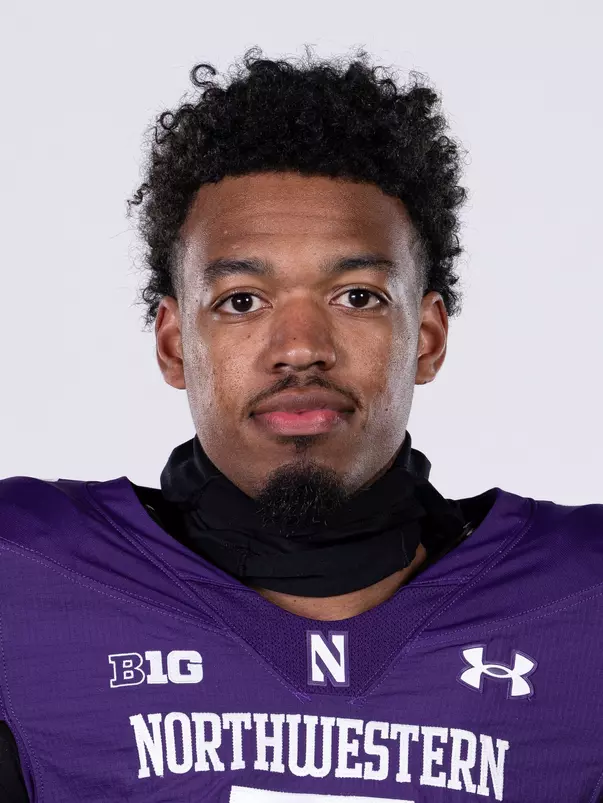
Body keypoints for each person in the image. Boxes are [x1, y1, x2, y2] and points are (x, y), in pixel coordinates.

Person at [0, 47, 601, 803]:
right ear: (175, 344)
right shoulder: (26, 580)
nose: (300, 348)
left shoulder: (581, 602)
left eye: (357, 296)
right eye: (242, 301)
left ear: (426, 338)